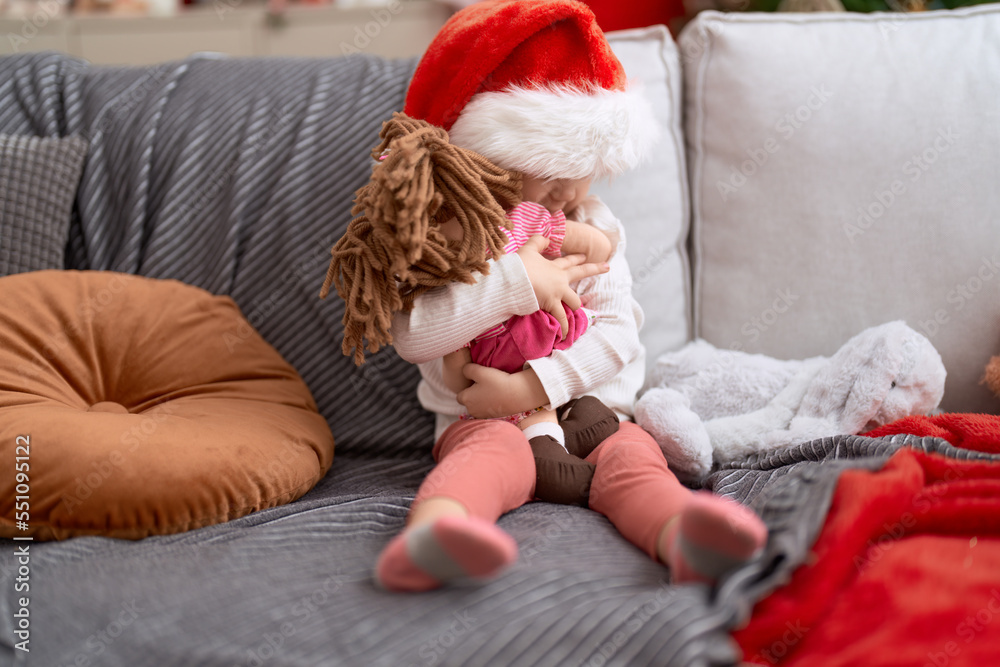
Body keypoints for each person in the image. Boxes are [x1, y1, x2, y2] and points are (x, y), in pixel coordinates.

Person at [369, 0, 768, 593]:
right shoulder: (447, 240)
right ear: (482, 160)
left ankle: (679, 533)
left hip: (594, 415)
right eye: (548, 163)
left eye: (585, 165)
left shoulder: (589, 227)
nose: (569, 187)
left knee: (633, 458)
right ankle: (435, 533)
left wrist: (535, 387)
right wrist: (518, 282)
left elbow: (618, 337)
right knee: (487, 459)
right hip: (483, 420)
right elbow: (415, 335)